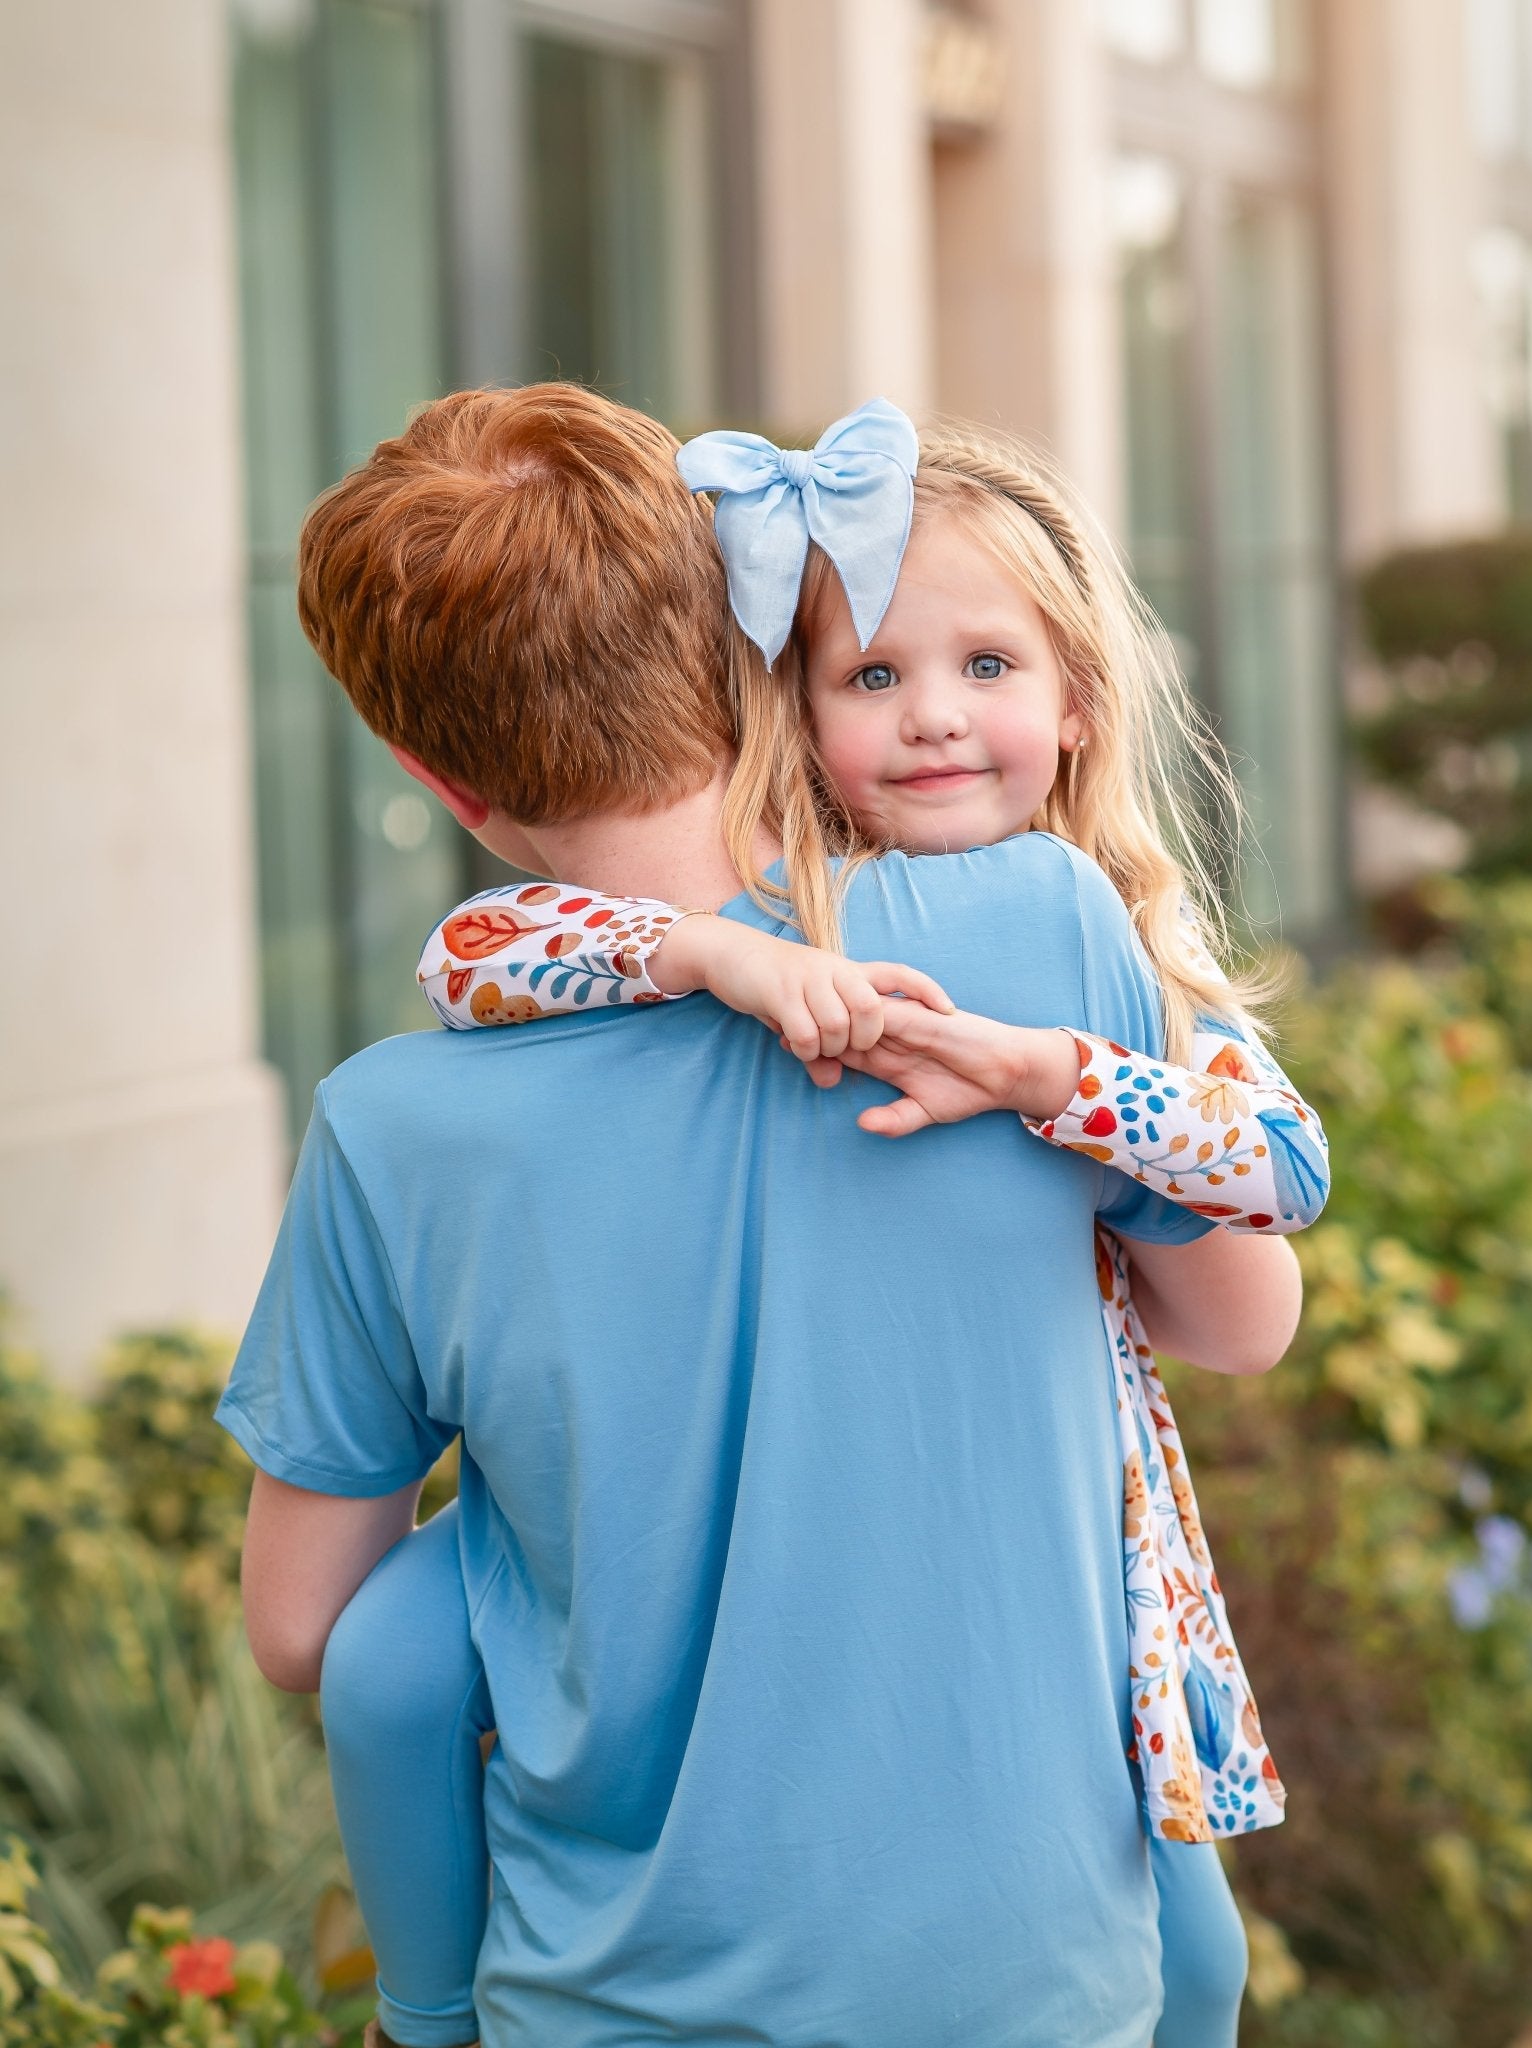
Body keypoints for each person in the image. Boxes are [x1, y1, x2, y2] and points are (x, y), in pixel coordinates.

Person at [223, 384, 1304, 2048]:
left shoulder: (387, 1131)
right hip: (1029, 1990)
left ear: (428, 774)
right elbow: (1239, 1321)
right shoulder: (1032, 930)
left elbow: (307, 1631)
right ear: (749, 649)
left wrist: (546, 1520)